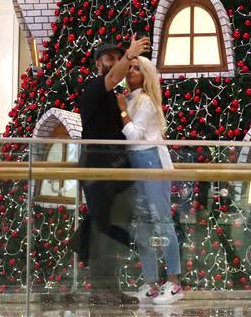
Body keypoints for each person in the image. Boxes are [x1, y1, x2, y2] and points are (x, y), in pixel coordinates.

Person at [79, 34, 150, 306]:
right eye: (111, 58)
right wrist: (130, 54)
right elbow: (111, 78)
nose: (117, 62)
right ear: (98, 63)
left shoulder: (115, 96)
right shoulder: (96, 87)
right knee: (103, 228)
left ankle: (110, 287)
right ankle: (100, 289)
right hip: (98, 168)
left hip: (115, 171)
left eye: (119, 58)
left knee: (111, 228)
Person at [117, 57, 183, 305]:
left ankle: (174, 283)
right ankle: (152, 283)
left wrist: (122, 111)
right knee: (143, 223)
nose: (131, 71)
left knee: (162, 220)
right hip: (135, 161)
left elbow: (135, 136)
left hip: (151, 159)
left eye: (137, 68)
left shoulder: (144, 100)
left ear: (146, 75)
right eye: (130, 68)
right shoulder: (130, 98)